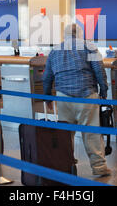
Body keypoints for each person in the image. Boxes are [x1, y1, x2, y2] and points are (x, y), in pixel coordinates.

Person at [42, 23, 111, 177]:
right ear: (80, 34)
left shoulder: (54, 51)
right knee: (91, 133)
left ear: (65, 35)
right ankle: (99, 167)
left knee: (66, 135)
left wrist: (46, 96)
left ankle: (67, 166)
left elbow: (46, 77)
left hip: (63, 97)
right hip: (86, 95)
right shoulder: (89, 47)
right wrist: (104, 90)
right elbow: (99, 70)